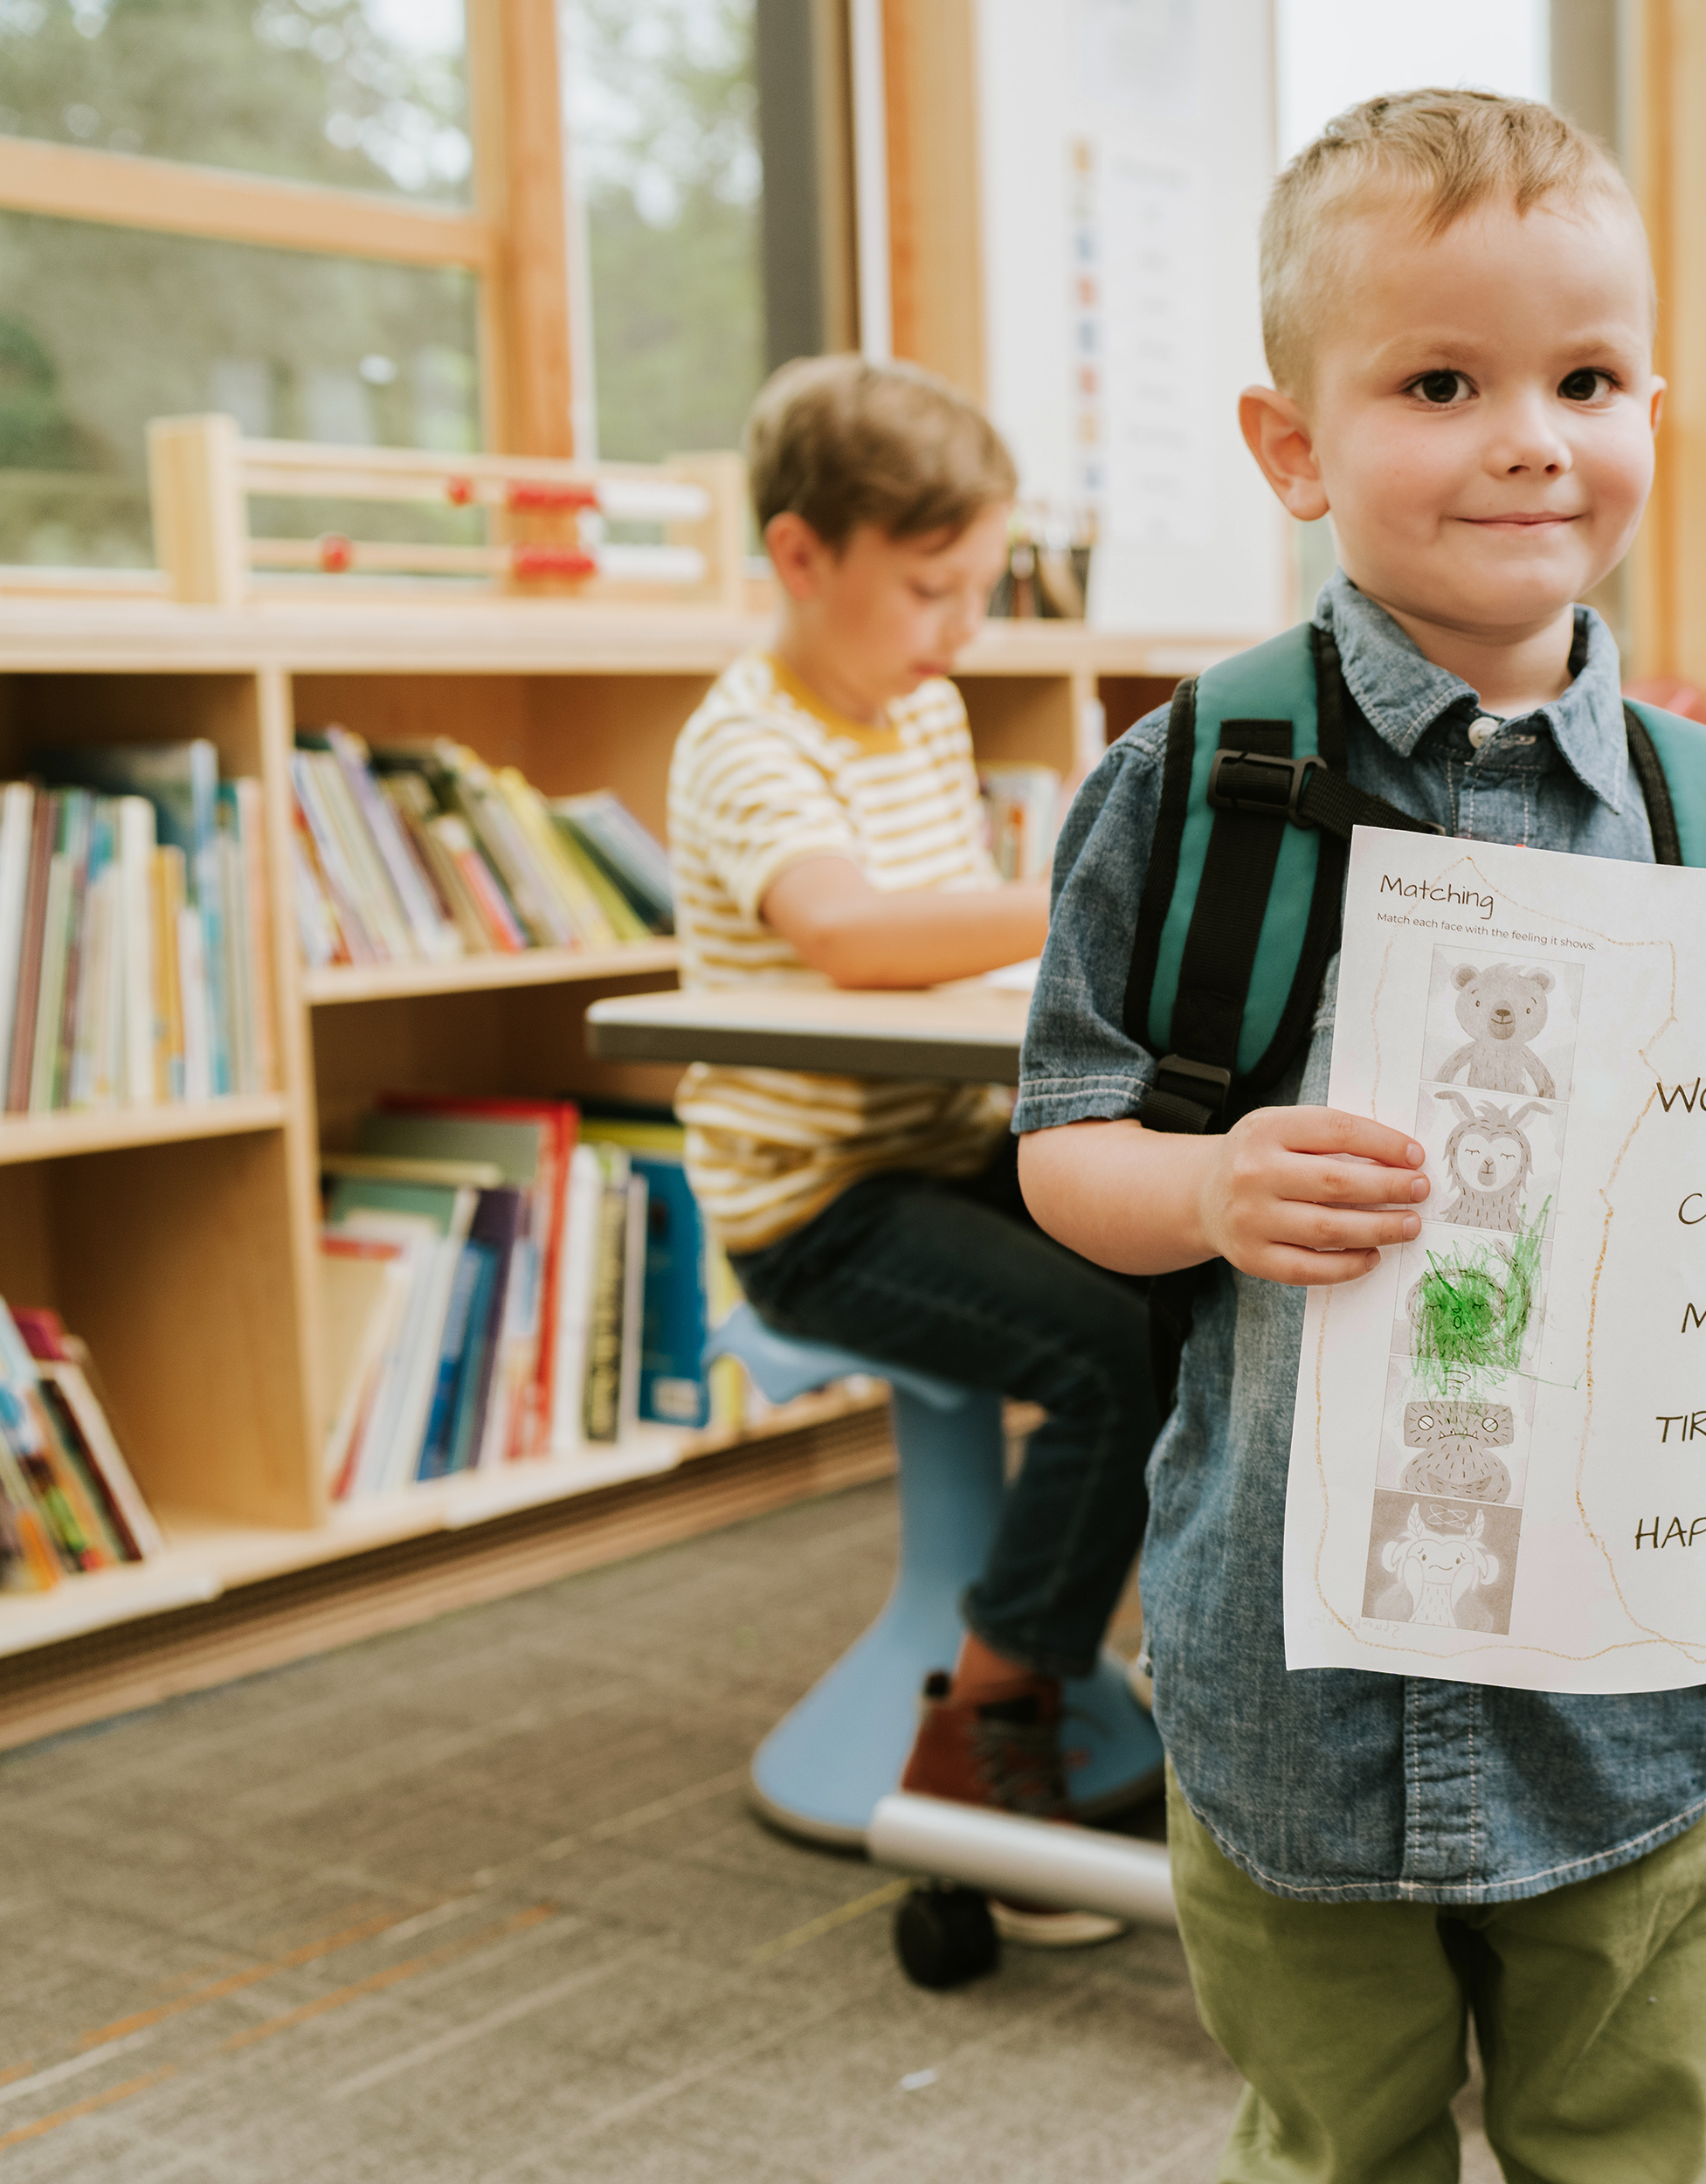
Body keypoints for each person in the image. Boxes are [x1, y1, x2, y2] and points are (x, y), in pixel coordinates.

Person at [1012, 91, 1706, 2184]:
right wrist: (1206, 1184)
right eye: (1442, 381)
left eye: (1587, 378)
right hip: (1290, 1675)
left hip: (1624, 1698)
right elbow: (1063, 1142)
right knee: (1331, 2143)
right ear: (1293, 445)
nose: (1532, 435)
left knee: (1629, 2142)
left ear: (1651, 404)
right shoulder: (1198, 782)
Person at [668, 357, 1160, 1888]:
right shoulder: (748, 743)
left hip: (949, 1149)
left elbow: (965, 948)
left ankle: (1162, 1653)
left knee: (1202, 1261)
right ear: (802, 557)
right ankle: (992, 1712)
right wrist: (1101, 884)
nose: (963, 628)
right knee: (1108, 1350)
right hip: (816, 1210)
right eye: (932, 586)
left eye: (978, 586)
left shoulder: (923, 716)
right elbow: (863, 939)